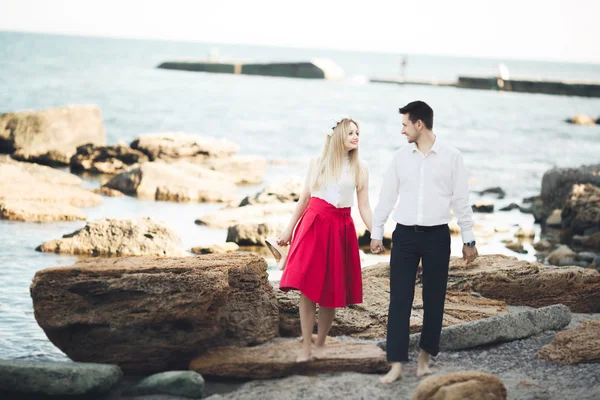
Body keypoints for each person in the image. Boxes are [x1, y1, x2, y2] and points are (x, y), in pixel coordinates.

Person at [370, 101, 478, 384]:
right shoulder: (400, 157)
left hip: (437, 237)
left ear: (420, 125)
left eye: (405, 124)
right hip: (404, 235)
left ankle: (424, 358)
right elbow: (387, 197)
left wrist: (469, 238)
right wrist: (376, 231)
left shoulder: (452, 157)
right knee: (399, 300)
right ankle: (395, 364)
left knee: (434, 299)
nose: (401, 130)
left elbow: (461, 200)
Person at [273, 118, 372, 362]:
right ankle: (306, 346)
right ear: (338, 135)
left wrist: (378, 231)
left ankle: (321, 343)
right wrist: (287, 231)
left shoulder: (361, 167)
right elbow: (304, 199)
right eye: (350, 132)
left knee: (331, 291)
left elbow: (364, 206)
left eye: (357, 132)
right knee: (307, 290)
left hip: (342, 229)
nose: (356, 136)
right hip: (315, 224)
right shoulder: (317, 163)